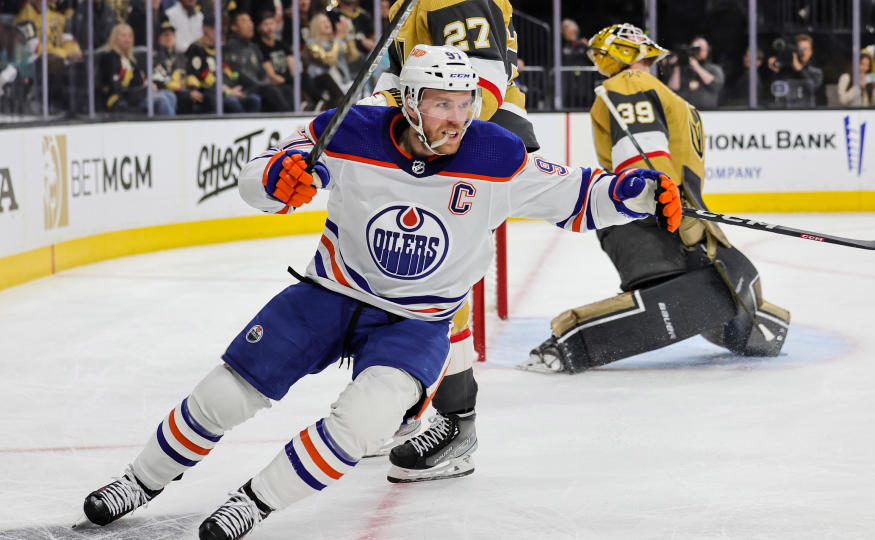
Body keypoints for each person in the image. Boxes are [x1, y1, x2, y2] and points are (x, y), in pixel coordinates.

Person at [78, 43, 682, 540]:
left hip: (415, 325)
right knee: (223, 396)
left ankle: (252, 505)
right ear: (410, 102)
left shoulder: (497, 155)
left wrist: (638, 191)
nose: (456, 118)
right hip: (328, 295)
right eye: (441, 104)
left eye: (464, 103)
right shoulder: (349, 130)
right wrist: (276, 177)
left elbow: (581, 195)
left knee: (362, 424)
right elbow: (259, 179)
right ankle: (139, 480)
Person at [524, 23, 789, 375]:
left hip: (672, 216)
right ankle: (569, 342)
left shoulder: (646, 89)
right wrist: (661, 204)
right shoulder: (631, 84)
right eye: (648, 58)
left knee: (741, 290)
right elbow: (646, 162)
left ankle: (571, 341)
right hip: (652, 218)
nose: (653, 64)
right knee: (713, 297)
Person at [359, 0, 541, 484]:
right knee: (394, 270)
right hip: (437, 138)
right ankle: (404, 405)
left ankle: (456, 426)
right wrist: (375, 113)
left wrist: (421, 131)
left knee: (436, 282)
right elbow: (404, 76)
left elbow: (475, 87)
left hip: (468, 142)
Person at [184, 14, 261, 113]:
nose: (218, 31)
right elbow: (201, 76)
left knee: (254, 99)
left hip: (228, 89)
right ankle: (242, 128)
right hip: (210, 92)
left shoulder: (221, 49)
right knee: (232, 103)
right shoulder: (196, 48)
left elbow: (229, 71)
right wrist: (227, 91)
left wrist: (234, 87)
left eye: (219, 27)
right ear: (204, 29)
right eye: (213, 28)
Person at [99, 23, 178, 115]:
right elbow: (117, 87)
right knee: (162, 99)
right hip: (121, 98)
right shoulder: (110, 57)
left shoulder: (129, 59)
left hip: (135, 95)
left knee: (170, 95)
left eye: (130, 36)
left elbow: (138, 80)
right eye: (123, 36)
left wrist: (147, 84)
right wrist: (144, 89)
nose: (127, 39)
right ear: (115, 38)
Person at [224, 10, 292, 111]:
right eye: (244, 21)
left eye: (250, 21)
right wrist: (261, 85)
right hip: (244, 89)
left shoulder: (254, 47)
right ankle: (288, 119)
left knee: (286, 90)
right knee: (271, 91)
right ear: (234, 27)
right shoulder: (229, 49)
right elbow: (239, 74)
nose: (250, 24)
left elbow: (263, 72)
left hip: (258, 87)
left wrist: (264, 83)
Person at [301, 11, 355, 110]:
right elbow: (328, 61)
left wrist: (348, 35)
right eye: (322, 22)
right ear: (315, 27)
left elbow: (352, 57)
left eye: (327, 21)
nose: (327, 23)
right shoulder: (311, 44)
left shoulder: (335, 42)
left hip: (342, 81)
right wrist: (338, 39)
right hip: (321, 83)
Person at [665, 36, 725, 109]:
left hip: (709, 113)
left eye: (701, 49)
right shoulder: (682, 69)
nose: (698, 52)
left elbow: (715, 85)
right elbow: (672, 90)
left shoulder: (714, 69)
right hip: (686, 113)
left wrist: (696, 67)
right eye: (695, 49)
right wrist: (677, 65)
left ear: (707, 51)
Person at [767, 33, 823, 107]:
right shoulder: (785, 70)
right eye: (800, 49)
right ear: (795, 51)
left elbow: (812, 89)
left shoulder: (816, 72)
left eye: (806, 49)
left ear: (810, 52)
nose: (803, 52)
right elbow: (774, 90)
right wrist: (774, 70)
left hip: (807, 114)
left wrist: (800, 69)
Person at [254, 8, 296, 108]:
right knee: (285, 90)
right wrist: (289, 80)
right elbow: (272, 76)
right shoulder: (259, 47)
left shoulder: (282, 45)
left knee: (303, 79)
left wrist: (292, 79)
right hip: (276, 85)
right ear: (259, 28)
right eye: (266, 24)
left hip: (287, 81)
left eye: (272, 23)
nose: (270, 28)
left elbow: (293, 69)